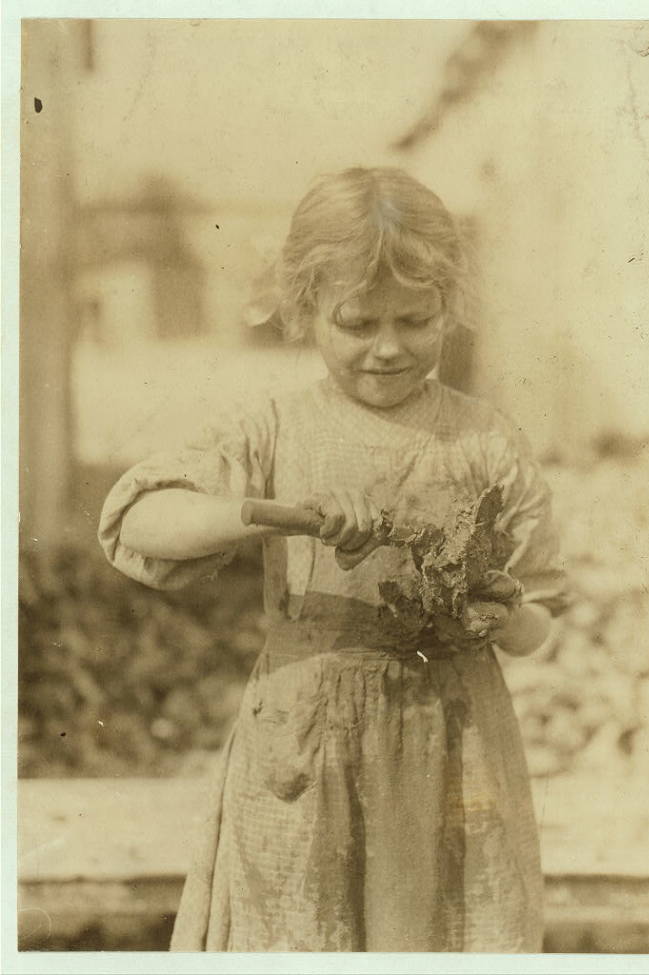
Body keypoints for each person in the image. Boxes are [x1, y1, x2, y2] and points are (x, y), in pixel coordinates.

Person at [98, 166, 567, 953]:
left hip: (453, 752)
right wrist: (279, 515)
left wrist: (504, 609)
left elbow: (542, 625)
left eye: (416, 321)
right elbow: (137, 521)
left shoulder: (488, 443)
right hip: (302, 752)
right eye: (357, 322)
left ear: (447, 307)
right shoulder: (274, 429)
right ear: (305, 307)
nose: (388, 348)